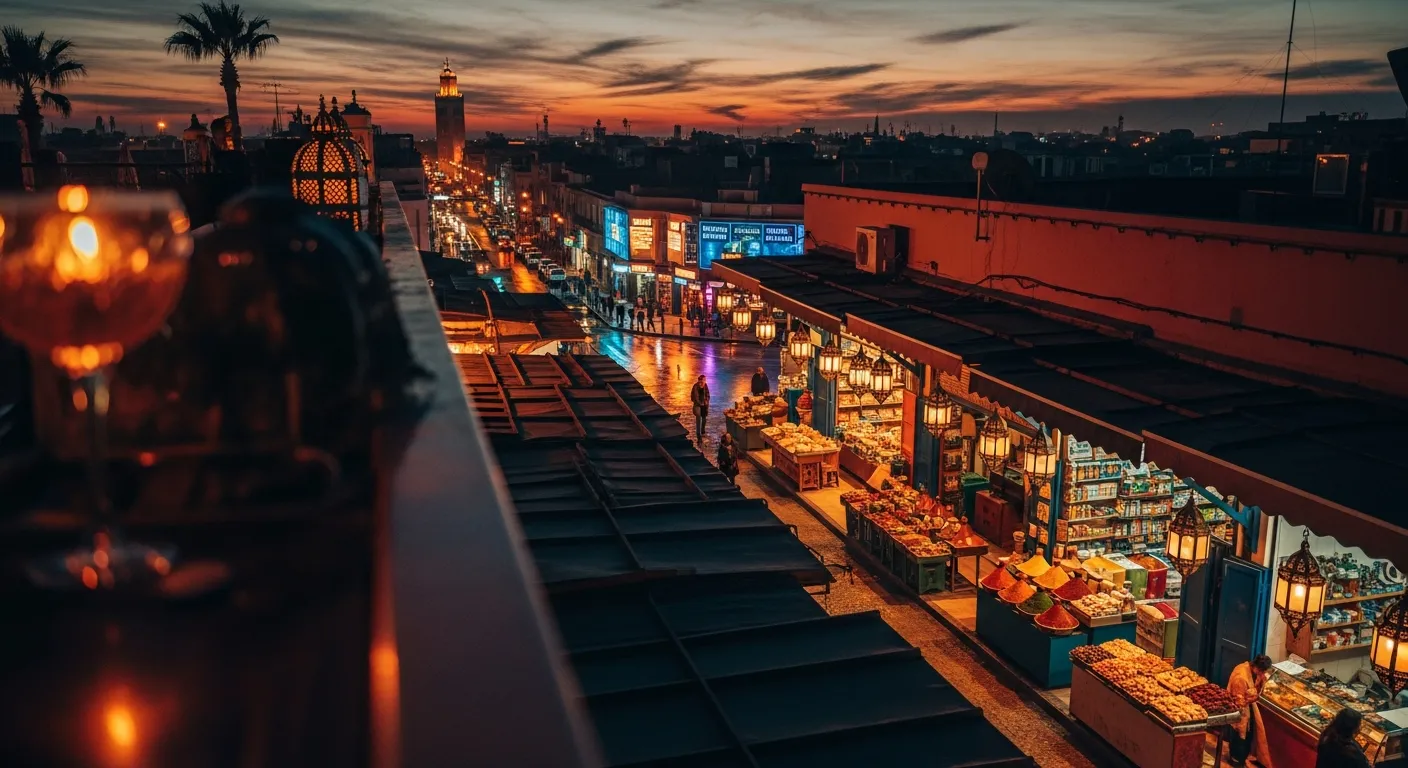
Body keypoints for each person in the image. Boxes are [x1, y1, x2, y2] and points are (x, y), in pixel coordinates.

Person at [1227, 654, 1274, 768]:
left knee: (1248, 735)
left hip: (1248, 707)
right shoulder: (1241, 677)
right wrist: (1255, 695)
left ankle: (1243, 758)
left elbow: (1260, 682)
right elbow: (1239, 702)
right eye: (1262, 672)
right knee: (1239, 736)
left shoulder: (1253, 671)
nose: (1263, 675)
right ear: (1257, 668)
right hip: (1238, 709)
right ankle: (1236, 760)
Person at [690, 375, 709, 441]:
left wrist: (706, 402)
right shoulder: (695, 386)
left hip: (704, 404)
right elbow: (695, 397)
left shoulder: (705, 385)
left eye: (704, 380)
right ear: (700, 380)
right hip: (697, 405)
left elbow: (707, 394)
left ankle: (703, 430)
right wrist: (700, 403)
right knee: (698, 417)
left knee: (704, 418)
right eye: (703, 380)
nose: (704, 381)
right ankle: (698, 433)